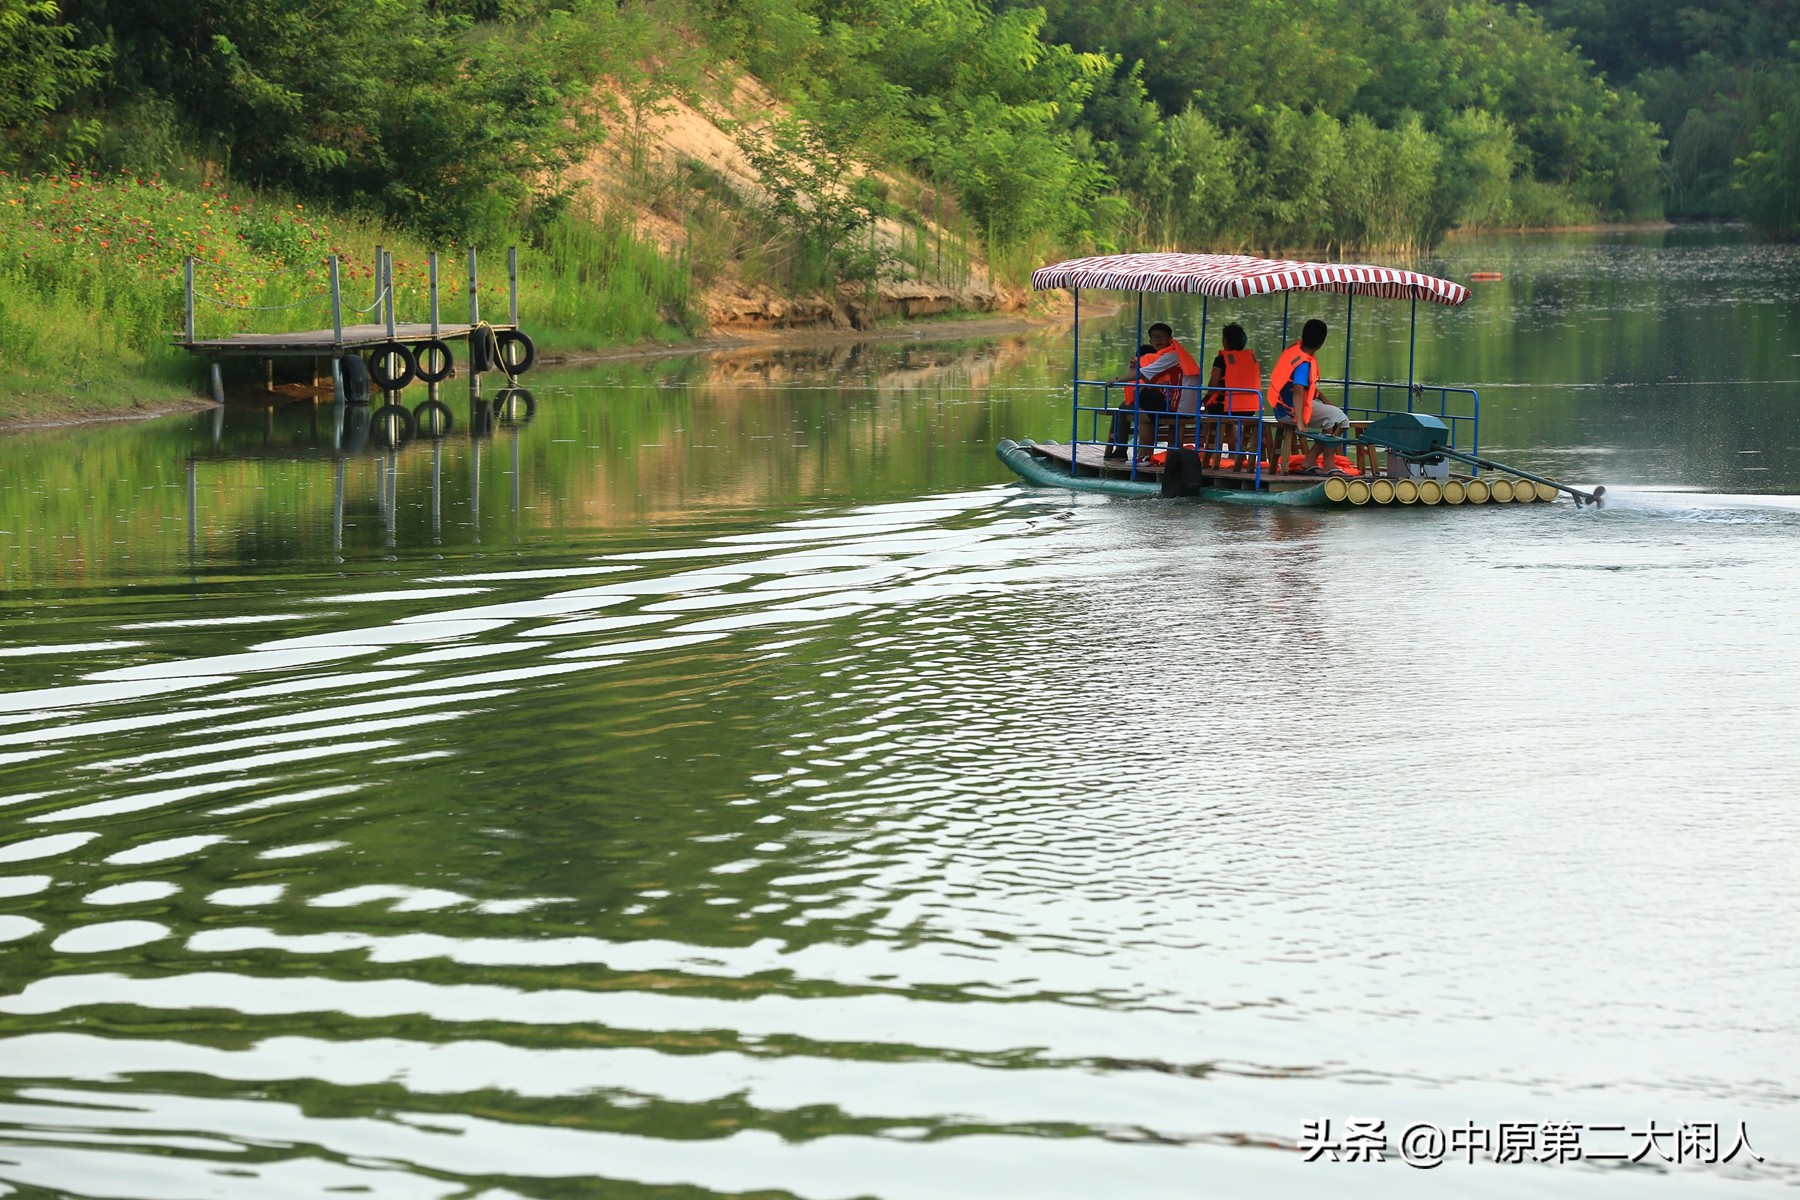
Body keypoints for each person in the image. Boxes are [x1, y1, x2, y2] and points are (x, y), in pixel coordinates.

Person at [1107, 322, 1201, 461]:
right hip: (1186, 406)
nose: (1158, 339)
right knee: (1142, 407)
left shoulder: (1172, 355)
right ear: (1150, 341)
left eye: (1162, 336)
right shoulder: (1174, 355)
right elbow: (1151, 379)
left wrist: (1116, 380)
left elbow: (1142, 375)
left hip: (1179, 408)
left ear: (1170, 339)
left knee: (1140, 408)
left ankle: (1139, 455)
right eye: (1155, 337)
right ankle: (1142, 455)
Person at [1267, 318, 1348, 474]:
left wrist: (1323, 399)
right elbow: (1298, 390)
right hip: (1291, 411)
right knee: (1340, 419)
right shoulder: (1304, 363)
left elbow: (1304, 388)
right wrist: (1299, 421)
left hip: (1281, 408)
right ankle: (1327, 463)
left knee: (1333, 415)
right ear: (1321, 343)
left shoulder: (1294, 351)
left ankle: (1310, 460)